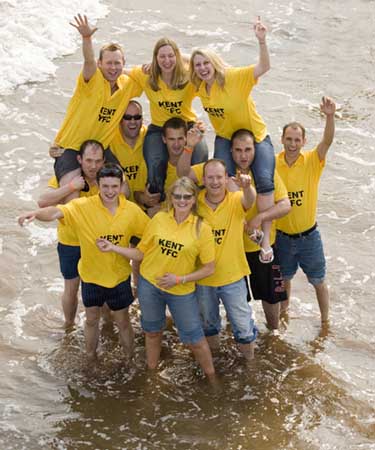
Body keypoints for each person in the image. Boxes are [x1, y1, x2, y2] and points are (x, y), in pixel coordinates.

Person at [18, 164, 149, 362]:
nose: (110, 192)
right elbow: (55, 212)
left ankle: (129, 358)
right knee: (91, 320)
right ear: (98, 184)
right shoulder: (83, 207)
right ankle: (90, 358)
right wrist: (36, 214)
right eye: (105, 186)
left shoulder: (132, 211)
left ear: (121, 186)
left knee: (123, 321)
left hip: (119, 277)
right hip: (91, 277)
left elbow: (151, 236)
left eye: (114, 186)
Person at [96, 177, 216, 379]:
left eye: (187, 196)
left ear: (194, 199)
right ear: (171, 198)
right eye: (177, 196)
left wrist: (180, 279)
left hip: (181, 290)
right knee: (152, 332)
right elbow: (141, 253)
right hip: (150, 285)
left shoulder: (201, 229)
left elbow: (209, 268)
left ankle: (212, 378)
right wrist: (113, 248)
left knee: (194, 338)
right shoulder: (159, 219)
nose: (182, 201)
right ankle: (152, 376)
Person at [189, 17, 275, 263]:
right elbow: (181, 63)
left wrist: (261, 40)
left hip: (255, 137)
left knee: (265, 181)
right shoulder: (201, 88)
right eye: (198, 65)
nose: (203, 68)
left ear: (214, 63)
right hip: (227, 138)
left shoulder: (234, 77)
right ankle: (240, 225)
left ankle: (264, 239)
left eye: (206, 63)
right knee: (223, 177)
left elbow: (264, 67)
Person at [52, 14, 141, 200]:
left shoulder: (128, 84)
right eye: (108, 63)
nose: (113, 67)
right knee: (72, 194)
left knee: (124, 191)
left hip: (101, 149)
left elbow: (150, 74)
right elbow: (88, 61)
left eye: (117, 63)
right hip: (71, 147)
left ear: (124, 64)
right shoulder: (93, 80)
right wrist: (87, 38)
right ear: (100, 64)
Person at [275, 96, 336, 324]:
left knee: (318, 280)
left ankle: (325, 322)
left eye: (297, 139)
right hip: (281, 237)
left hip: (309, 236)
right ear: (282, 139)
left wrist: (329, 116)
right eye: (288, 139)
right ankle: (284, 317)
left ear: (303, 141)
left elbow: (327, 142)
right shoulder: (272, 163)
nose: (292, 143)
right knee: (284, 279)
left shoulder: (312, 160)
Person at [128, 38, 209, 198]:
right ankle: (156, 204)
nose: (167, 61)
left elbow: (211, 68)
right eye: (162, 57)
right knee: (155, 162)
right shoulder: (146, 75)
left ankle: (195, 201)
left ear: (178, 56)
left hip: (187, 125)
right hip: (159, 127)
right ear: (155, 58)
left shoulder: (188, 76)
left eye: (171, 56)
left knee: (201, 155)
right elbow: (119, 72)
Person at [195, 159, 258, 361]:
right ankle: (216, 363)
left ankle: (250, 367)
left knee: (244, 329)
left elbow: (250, 200)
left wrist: (247, 187)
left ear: (226, 179)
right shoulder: (193, 204)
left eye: (219, 177)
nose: (215, 182)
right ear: (203, 179)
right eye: (210, 177)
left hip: (233, 277)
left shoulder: (236, 199)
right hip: (204, 280)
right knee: (209, 327)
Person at [38, 140, 105, 327]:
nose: (93, 166)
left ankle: (105, 325)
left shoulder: (105, 181)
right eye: (89, 160)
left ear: (103, 161)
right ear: (79, 159)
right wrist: (71, 187)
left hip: (97, 243)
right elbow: (42, 201)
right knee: (71, 287)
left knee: (102, 286)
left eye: (98, 161)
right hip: (71, 242)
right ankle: (69, 325)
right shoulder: (68, 178)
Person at [229, 129, 291, 330]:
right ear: (230, 151)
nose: (243, 155)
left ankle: (274, 333)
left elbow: (285, 205)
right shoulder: (225, 176)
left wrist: (260, 217)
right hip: (235, 250)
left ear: (255, 150)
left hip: (263, 247)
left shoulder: (266, 172)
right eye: (238, 150)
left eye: (248, 149)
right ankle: (242, 335)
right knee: (237, 301)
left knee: (271, 297)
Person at [134, 117, 203, 216]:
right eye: (171, 139)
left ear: (186, 139)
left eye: (180, 139)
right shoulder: (152, 164)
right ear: (164, 139)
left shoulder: (196, 164)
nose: (176, 144)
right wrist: (144, 198)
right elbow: (136, 194)